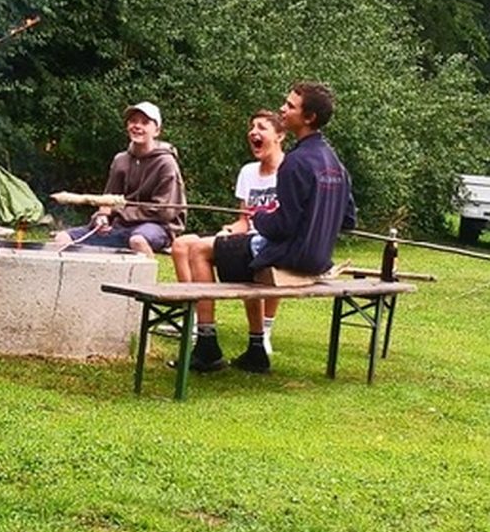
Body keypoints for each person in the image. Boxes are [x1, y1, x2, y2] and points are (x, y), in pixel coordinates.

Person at [188, 82, 357, 374]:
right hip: (318, 259)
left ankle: (207, 347)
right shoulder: (336, 164)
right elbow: (348, 221)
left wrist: (259, 217)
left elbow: (281, 226)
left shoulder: (296, 162)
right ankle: (255, 352)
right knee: (228, 249)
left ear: (309, 118)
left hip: (288, 256)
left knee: (197, 249)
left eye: (290, 106)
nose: (283, 109)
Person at [171, 109, 285, 363]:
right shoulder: (248, 172)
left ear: (280, 135)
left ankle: (223, 341)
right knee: (182, 244)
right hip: (249, 237)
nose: (253, 132)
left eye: (262, 127)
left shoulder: (289, 171)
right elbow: (244, 219)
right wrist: (230, 230)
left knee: (204, 249)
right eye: (251, 127)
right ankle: (193, 320)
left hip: (270, 243)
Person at [53, 101, 185, 254]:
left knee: (137, 240)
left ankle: (146, 277)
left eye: (144, 122)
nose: (137, 126)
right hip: (120, 226)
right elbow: (107, 199)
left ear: (157, 131)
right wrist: (102, 215)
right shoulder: (120, 160)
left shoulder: (166, 163)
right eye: (133, 121)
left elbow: (165, 212)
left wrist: (120, 213)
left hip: (156, 227)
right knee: (62, 238)